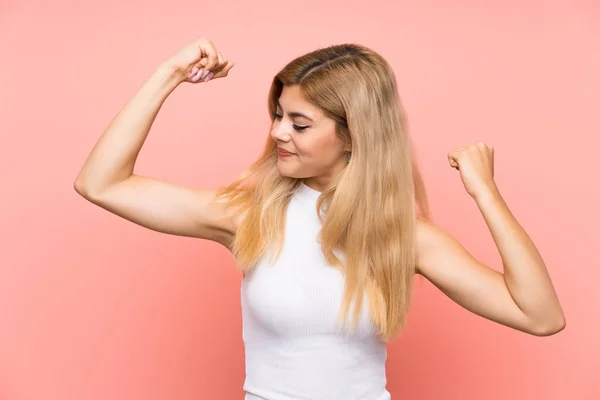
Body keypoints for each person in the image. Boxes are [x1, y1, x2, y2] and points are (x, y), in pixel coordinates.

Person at [74, 37, 566, 400]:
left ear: (353, 136)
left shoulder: (404, 237)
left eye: (299, 123)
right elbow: (102, 183)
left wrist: (485, 193)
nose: (278, 133)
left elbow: (540, 316)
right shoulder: (251, 216)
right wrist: (170, 75)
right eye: (277, 114)